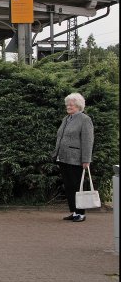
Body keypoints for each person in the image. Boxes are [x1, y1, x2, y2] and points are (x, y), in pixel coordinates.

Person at [52, 92, 94, 222]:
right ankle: (75, 211)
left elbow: (88, 141)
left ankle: (81, 213)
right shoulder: (66, 119)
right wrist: (56, 153)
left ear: (78, 106)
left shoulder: (84, 119)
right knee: (69, 187)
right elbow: (61, 137)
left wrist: (86, 159)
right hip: (63, 158)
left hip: (76, 159)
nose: (68, 106)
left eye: (72, 104)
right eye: (67, 104)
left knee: (77, 187)